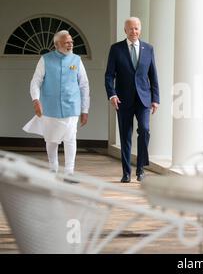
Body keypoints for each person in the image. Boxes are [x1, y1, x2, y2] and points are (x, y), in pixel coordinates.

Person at [23, 30, 90, 177]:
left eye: (71, 42)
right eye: (67, 42)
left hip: (72, 106)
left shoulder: (77, 60)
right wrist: (36, 100)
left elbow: (84, 85)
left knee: (70, 138)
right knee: (51, 139)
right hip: (50, 107)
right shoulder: (45, 59)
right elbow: (35, 82)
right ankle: (53, 169)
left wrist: (85, 109)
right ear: (57, 44)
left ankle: (69, 173)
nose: (71, 44)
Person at [105, 17, 159, 183]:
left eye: (136, 28)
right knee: (125, 136)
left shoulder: (148, 49)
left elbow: (153, 75)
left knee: (144, 130)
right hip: (123, 100)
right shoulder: (116, 49)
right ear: (125, 30)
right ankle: (126, 172)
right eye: (130, 29)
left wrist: (155, 98)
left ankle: (141, 168)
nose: (134, 32)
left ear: (140, 30)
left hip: (143, 99)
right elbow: (109, 75)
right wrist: (112, 94)